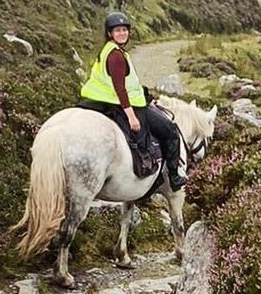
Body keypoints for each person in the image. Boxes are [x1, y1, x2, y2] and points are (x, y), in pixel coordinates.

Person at [79, 11, 185, 192]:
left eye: (124, 30)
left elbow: (130, 84)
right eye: (117, 30)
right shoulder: (116, 56)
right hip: (123, 105)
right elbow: (120, 88)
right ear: (110, 33)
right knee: (169, 129)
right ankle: (174, 176)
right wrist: (131, 116)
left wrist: (146, 99)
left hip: (106, 101)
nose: (122, 33)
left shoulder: (109, 51)